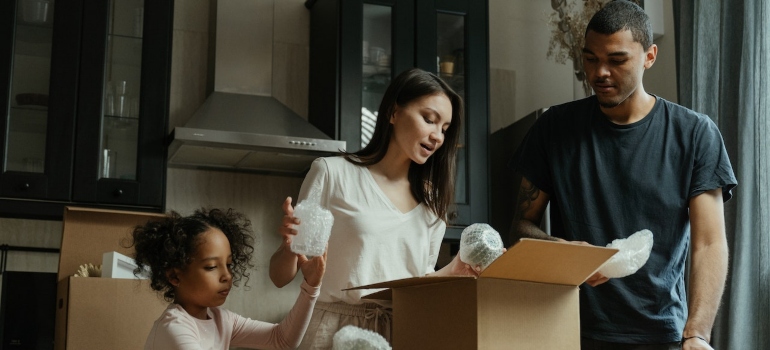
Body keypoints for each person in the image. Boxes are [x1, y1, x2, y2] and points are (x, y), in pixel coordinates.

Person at [509, 1, 737, 350]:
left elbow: (709, 243)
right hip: (568, 331)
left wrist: (697, 333)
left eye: (616, 60)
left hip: (661, 335)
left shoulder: (694, 134)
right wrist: (569, 253)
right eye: (590, 58)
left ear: (649, 56)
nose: (600, 72)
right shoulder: (554, 128)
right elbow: (521, 228)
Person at [269, 68, 477, 349]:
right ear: (393, 113)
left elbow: (420, 280)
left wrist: (458, 268)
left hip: (402, 332)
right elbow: (281, 277)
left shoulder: (432, 201)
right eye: (429, 120)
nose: (437, 136)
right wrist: (288, 246)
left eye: (444, 129)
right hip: (332, 331)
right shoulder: (332, 173)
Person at [128, 208, 326, 350]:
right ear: (174, 276)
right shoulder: (174, 328)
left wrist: (311, 286)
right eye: (212, 267)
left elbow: (282, 339)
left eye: (229, 265)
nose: (227, 275)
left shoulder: (221, 320)